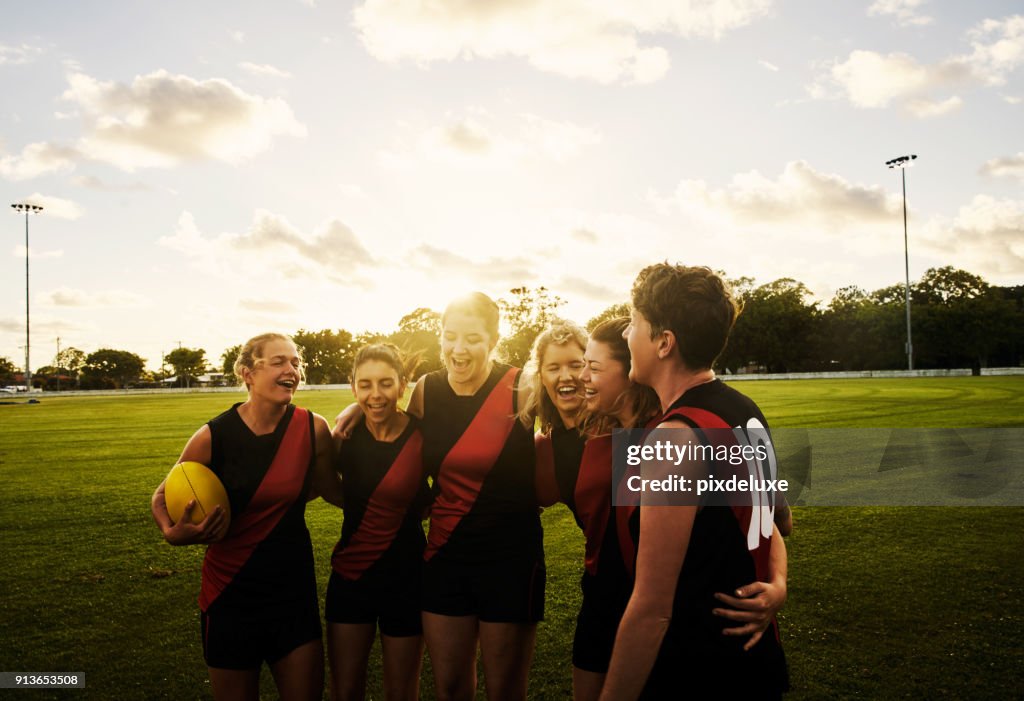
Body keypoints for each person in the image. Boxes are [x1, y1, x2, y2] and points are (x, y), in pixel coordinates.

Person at [337, 292, 542, 701]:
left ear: (494, 338)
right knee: (449, 686)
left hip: (510, 560)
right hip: (445, 559)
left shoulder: (524, 385)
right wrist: (356, 407)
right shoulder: (427, 390)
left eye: (472, 338)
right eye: (450, 336)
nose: (459, 349)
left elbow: (580, 414)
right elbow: (394, 423)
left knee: (504, 690)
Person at [600, 264, 790, 700]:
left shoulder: (674, 439)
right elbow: (776, 521)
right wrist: (777, 584)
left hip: (697, 671)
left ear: (664, 343)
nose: (627, 334)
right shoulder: (745, 409)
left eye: (635, 322)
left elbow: (652, 610)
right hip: (752, 664)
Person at [151, 333, 342, 701]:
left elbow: (330, 490)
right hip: (229, 597)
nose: (292, 370)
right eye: (279, 362)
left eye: (295, 363)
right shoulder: (214, 435)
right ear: (247, 373)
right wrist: (172, 532)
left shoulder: (313, 428)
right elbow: (161, 494)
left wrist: (396, 504)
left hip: (292, 595)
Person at [326, 344, 429, 701]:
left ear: (403, 385)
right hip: (350, 577)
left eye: (386, 383)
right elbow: (325, 485)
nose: (375, 394)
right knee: (345, 690)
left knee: (402, 692)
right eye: (365, 385)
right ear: (353, 388)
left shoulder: (424, 437)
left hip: (408, 578)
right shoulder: (342, 439)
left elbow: (441, 493)